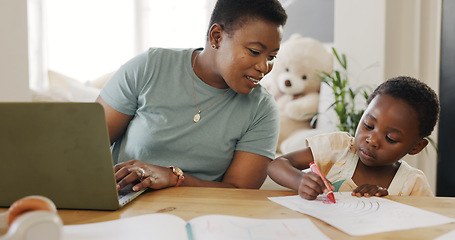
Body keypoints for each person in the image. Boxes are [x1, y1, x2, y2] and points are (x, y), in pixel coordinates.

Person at [96, 0, 287, 192]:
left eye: (271, 57)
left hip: (203, 215)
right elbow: (86, 146)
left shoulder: (262, 109)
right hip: (125, 207)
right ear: (217, 37)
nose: (264, 67)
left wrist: (174, 178)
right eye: (254, 51)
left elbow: (240, 192)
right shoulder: (149, 67)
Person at [267, 76, 440, 199]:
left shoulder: (412, 184)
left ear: (416, 147)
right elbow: (276, 165)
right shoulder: (338, 148)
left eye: (390, 138)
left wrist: (389, 202)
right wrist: (299, 180)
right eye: (368, 125)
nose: (372, 140)